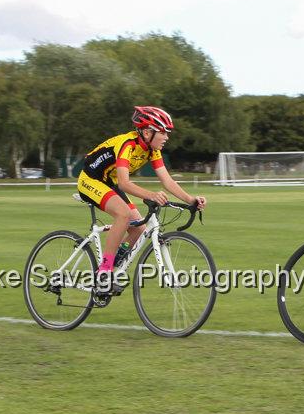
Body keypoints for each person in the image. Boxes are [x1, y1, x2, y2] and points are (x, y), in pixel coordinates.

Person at [76, 106, 206, 292]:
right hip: (90, 180)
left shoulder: (152, 150)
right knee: (123, 214)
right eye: (163, 132)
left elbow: (167, 180)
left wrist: (191, 200)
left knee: (139, 228)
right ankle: (103, 272)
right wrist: (151, 195)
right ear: (147, 132)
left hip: (109, 182)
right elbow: (124, 183)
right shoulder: (127, 145)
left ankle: (112, 265)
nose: (167, 137)